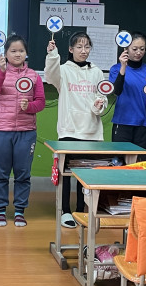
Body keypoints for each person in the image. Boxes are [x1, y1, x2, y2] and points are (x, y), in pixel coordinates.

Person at [45, 31, 107, 228]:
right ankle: (65, 211)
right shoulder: (63, 70)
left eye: (87, 46)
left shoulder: (97, 72)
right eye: (79, 47)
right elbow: (50, 75)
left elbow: (102, 97)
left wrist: (99, 105)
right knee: (65, 174)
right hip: (69, 130)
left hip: (91, 131)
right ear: (71, 49)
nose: (83, 50)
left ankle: (81, 211)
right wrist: (52, 54)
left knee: (86, 175)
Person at [0, 34, 45, 227]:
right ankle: (0, 211)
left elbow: (40, 102)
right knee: (1, 174)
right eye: (13, 51)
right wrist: (2, 71)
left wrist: (28, 107)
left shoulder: (34, 75)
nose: (17, 54)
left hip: (26, 131)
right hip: (1, 130)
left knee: (23, 174)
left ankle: (20, 210)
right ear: (5, 54)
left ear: (26, 53)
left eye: (21, 50)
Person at [108, 32, 146, 159]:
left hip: (143, 124)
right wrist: (123, 67)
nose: (138, 52)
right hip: (122, 123)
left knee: (141, 163)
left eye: (142, 49)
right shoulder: (116, 69)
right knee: (120, 163)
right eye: (134, 49)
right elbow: (117, 91)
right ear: (126, 49)